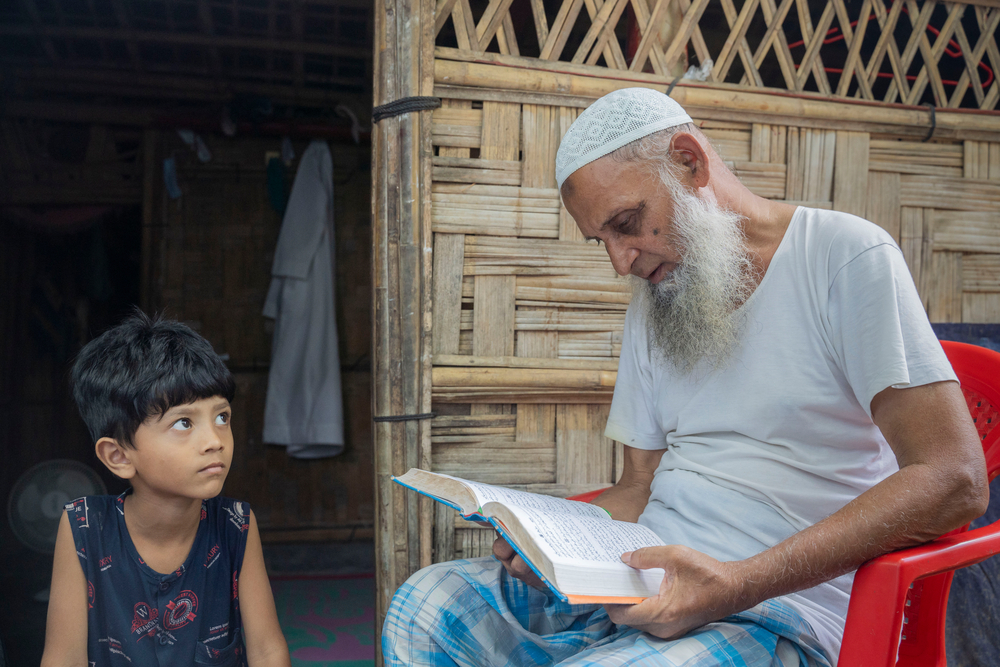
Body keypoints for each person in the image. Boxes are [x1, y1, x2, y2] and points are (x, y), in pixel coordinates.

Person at [381, 88, 989, 666]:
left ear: (689, 162)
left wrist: (736, 583)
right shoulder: (661, 297)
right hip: (645, 580)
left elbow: (954, 479)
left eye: (626, 222)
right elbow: (637, 483)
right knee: (426, 606)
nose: (621, 261)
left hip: (775, 606)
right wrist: (547, 534)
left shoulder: (843, 257)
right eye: (602, 241)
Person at [41, 311, 291, 667]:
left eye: (222, 417)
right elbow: (63, 658)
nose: (214, 441)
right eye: (184, 423)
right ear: (119, 456)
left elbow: (267, 651)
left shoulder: (235, 526)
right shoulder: (84, 528)